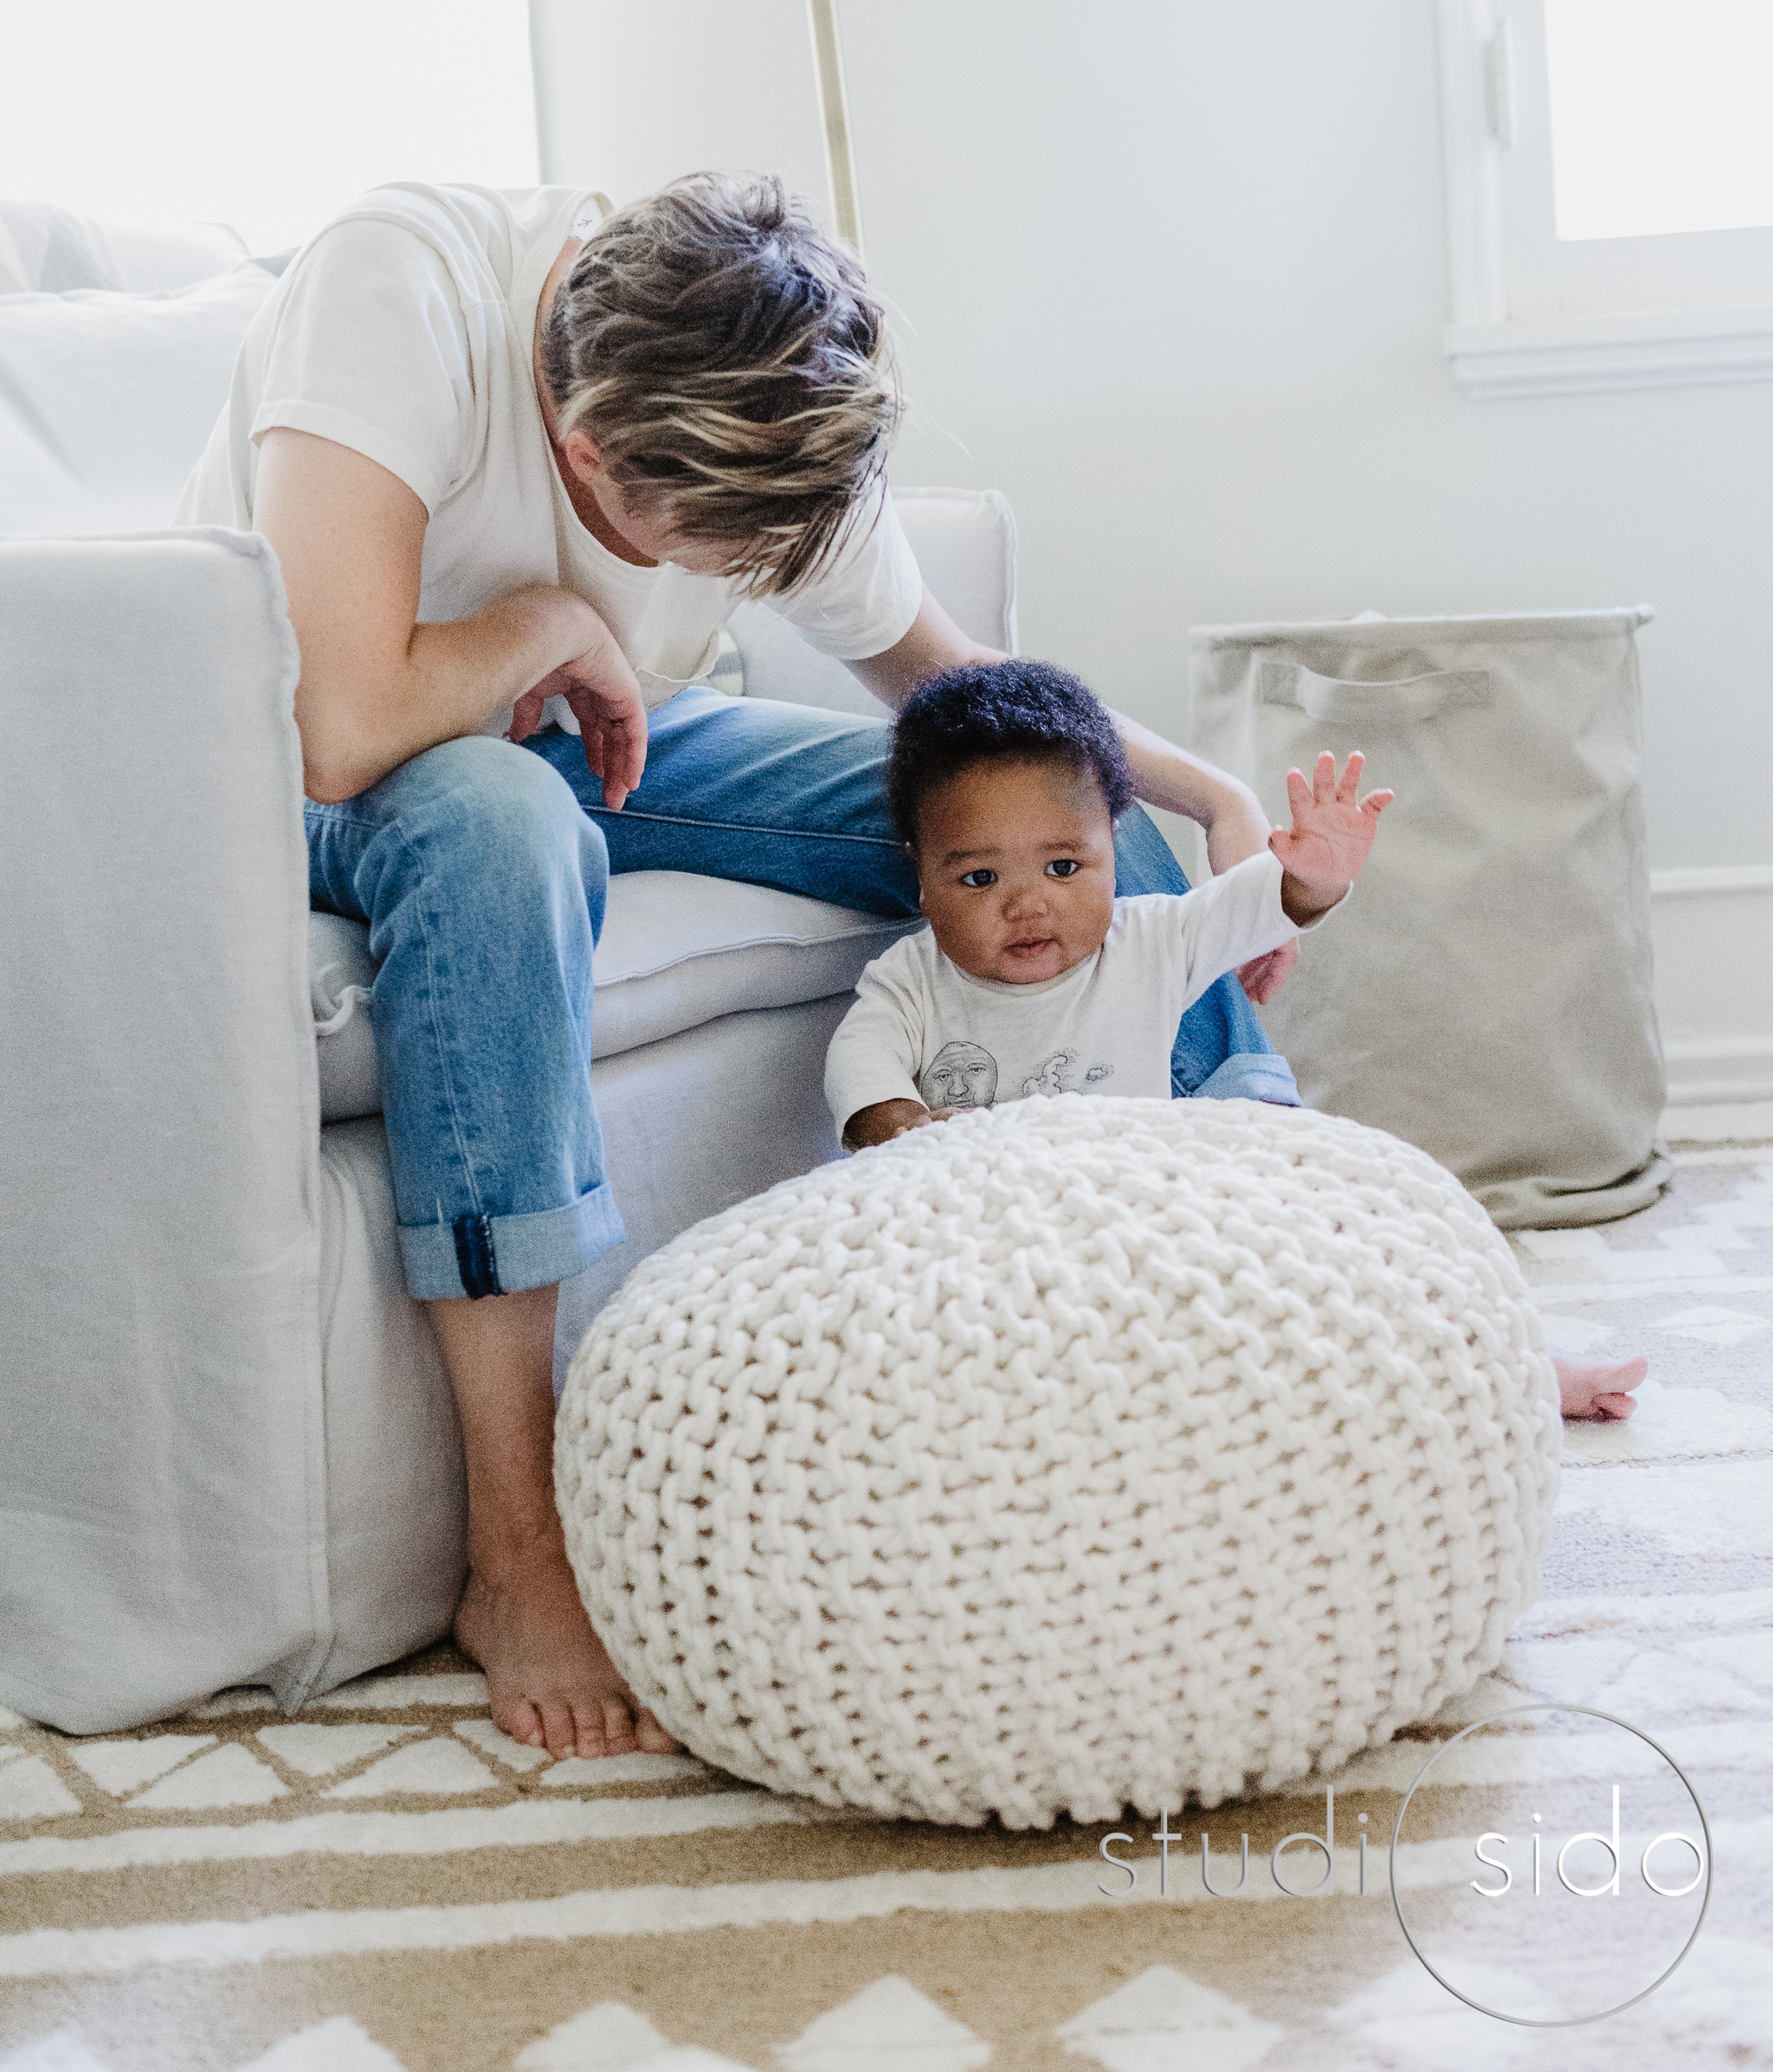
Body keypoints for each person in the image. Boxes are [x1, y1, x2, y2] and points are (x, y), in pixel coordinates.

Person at [177, 172, 1306, 1760]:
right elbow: (336, 718)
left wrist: (1202, 797)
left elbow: (954, 685)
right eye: (725, 550)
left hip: (584, 725)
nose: (764, 571)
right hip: (291, 756)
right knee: (497, 815)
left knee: (1031, 804)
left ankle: (1314, 1264)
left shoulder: (753, 372)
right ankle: (517, 1554)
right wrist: (545, 621)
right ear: (582, 450)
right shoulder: (402, 290)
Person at [826, 660, 1648, 1427]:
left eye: (1065, 867)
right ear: (922, 874)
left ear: (1114, 846)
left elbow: (1253, 906)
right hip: (1007, 1249)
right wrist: (893, 1118)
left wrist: (1315, 877)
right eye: (979, 879)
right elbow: (860, 1058)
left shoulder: (1148, 938)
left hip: (1157, 1222)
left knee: (1336, 1258)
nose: (1027, 904)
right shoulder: (913, 979)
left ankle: (1511, 1363)